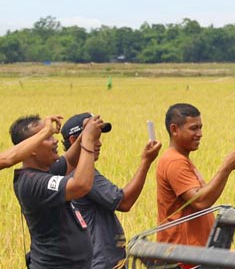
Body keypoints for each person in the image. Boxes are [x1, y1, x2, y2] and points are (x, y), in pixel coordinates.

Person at [61, 113, 163, 269]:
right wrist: (146, 162)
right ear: (74, 141)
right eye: (94, 138)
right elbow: (124, 202)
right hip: (102, 262)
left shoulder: (65, 172)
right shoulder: (83, 175)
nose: (99, 143)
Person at [11, 114, 104, 269]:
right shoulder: (32, 183)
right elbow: (80, 185)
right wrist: (88, 140)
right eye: (47, 137)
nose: (55, 141)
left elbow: (70, 160)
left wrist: (85, 133)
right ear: (31, 148)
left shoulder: (45, 171)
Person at [156, 103, 235, 246]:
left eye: (200, 127)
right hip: (182, 256)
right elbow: (201, 201)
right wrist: (226, 168)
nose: (199, 134)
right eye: (193, 128)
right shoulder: (174, 161)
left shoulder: (181, 159)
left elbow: (204, 198)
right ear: (174, 129)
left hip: (192, 253)